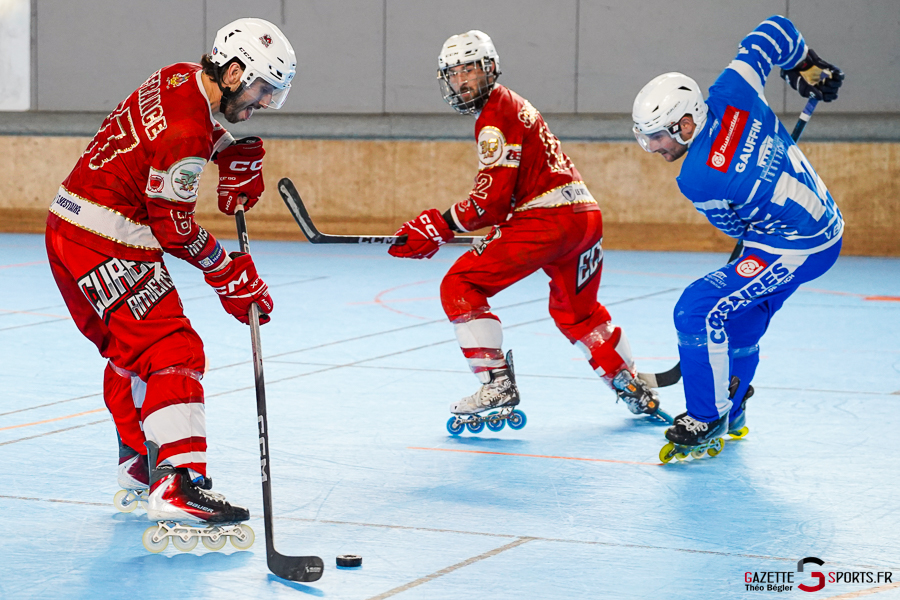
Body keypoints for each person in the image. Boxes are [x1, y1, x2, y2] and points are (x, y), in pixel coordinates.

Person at [45, 18, 295, 530]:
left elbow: (176, 133)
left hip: (68, 226)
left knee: (131, 353)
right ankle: (177, 482)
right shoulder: (186, 133)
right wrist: (228, 273)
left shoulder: (179, 74)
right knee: (172, 351)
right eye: (261, 88)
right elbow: (174, 226)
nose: (265, 102)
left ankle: (141, 461)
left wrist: (228, 148)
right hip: (110, 239)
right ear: (231, 71)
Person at [388, 30, 663, 426]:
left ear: (490, 69)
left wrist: (437, 224)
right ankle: (627, 382)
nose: (462, 81)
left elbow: (490, 202)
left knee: (460, 285)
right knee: (578, 314)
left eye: (470, 69)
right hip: (583, 217)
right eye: (454, 74)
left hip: (546, 221)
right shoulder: (511, 103)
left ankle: (496, 382)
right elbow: (506, 198)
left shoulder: (494, 117)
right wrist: (449, 228)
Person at [631, 15, 844, 455]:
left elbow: (735, 229)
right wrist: (805, 64)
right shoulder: (733, 91)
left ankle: (705, 417)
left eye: (656, 138)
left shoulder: (697, 177)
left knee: (696, 309)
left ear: (686, 124)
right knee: (741, 322)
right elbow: (772, 31)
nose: (653, 149)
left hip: (793, 247)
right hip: (825, 227)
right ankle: (734, 405)